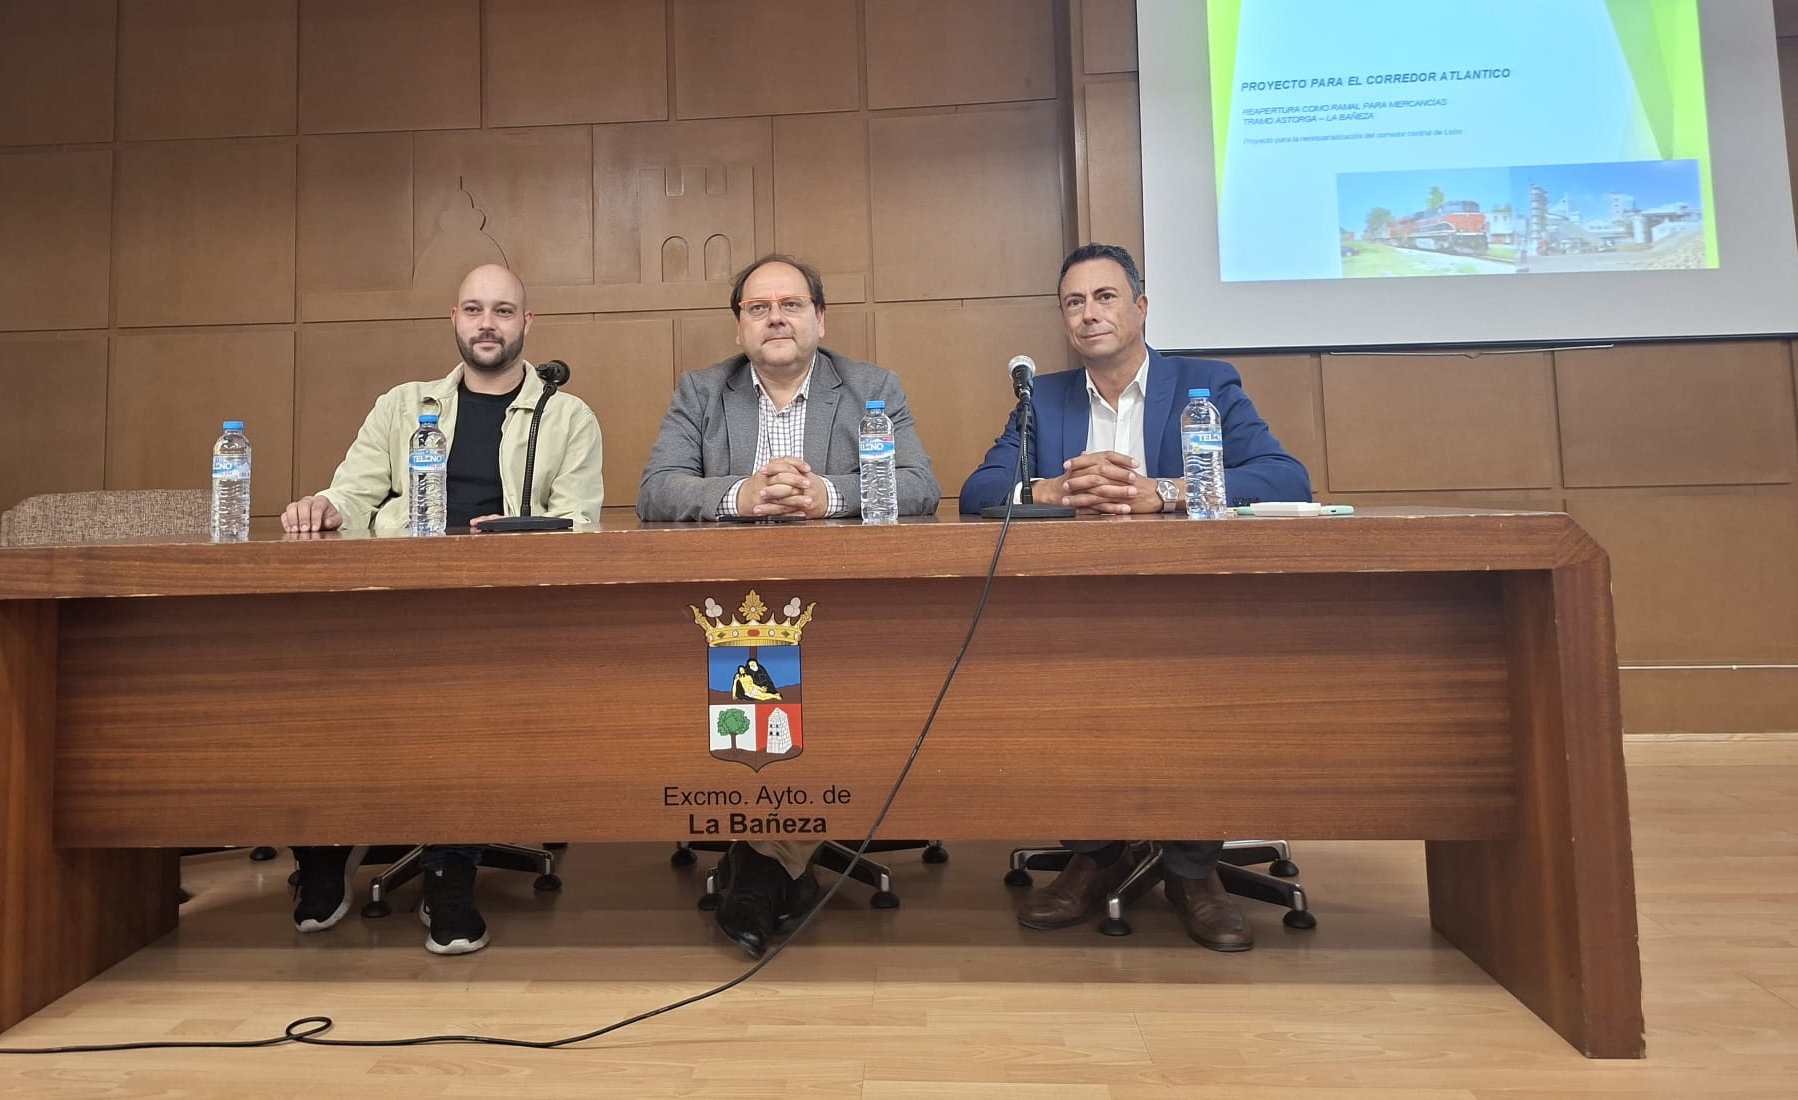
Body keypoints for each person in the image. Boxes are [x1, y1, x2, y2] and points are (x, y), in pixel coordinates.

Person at [959, 242, 1312, 952]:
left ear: (1141, 308)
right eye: (1074, 302)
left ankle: (1192, 869)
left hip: (1191, 608)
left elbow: (1285, 478)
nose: (1090, 314)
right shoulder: (1044, 397)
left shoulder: (1203, 383)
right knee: (1056, 686)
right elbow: (978, 494)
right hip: (1073, 608)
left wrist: (1167, 492)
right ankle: (1095, 854)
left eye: (1106, 297)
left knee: (1192, 685)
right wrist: (1050, 491)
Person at [279, 263, 603, 954]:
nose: (488, 322)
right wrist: (321, 507)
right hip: (397, 598)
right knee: (315, 680)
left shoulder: (566, 414)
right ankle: (323, 853)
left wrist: (512, 536)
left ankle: (450, 867)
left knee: (470, 694)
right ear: (453, 321)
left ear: (527, 324)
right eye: (474, 309)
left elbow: (579, 525)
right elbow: (353, 494)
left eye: (504, 310)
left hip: (504, 609)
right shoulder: (403, 405)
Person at [637, 252, 939, 954]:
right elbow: (656, 488)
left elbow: (919, 483)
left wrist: (825, 496)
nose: (776, 317)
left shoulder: (870, 386)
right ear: (740, 325)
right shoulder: (703, 391)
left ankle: (759, 869)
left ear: (819, 319)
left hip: (847, 611)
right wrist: (739, 495)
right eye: (758, 307)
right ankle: (778, 864)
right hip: (728, 613)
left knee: (809, 689)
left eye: (792, 305)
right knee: (752, 688)